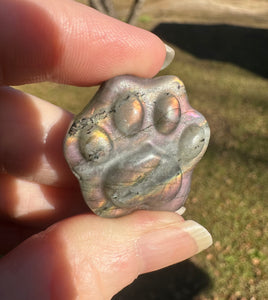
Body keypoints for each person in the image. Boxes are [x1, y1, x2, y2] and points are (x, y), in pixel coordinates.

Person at [0, 0, 212, 299]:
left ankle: (131, 175)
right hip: (121, 173)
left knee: (133, 172)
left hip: (122, 176)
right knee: (134, 170)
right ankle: (133, 172)